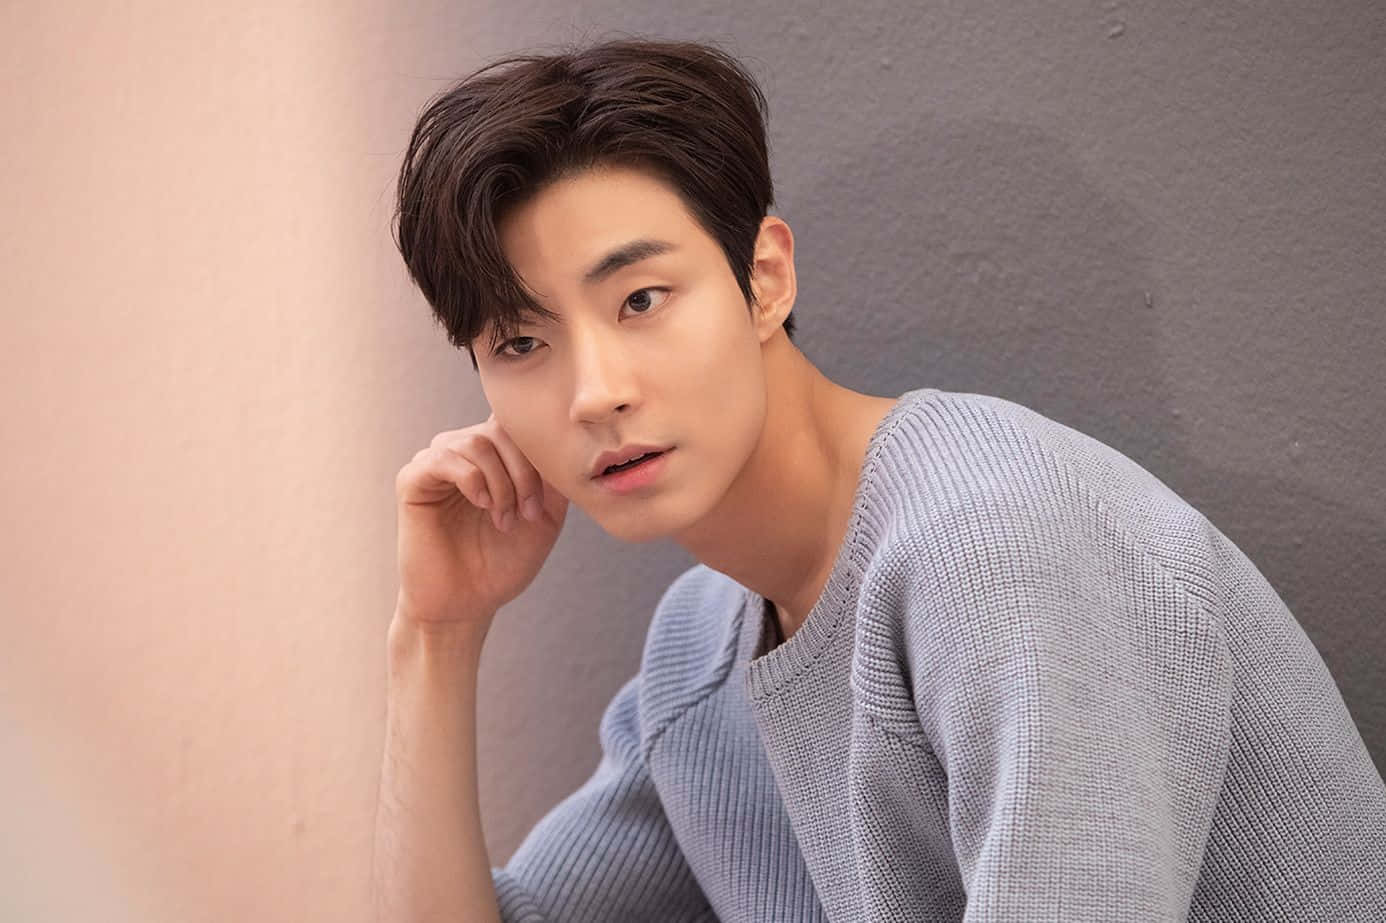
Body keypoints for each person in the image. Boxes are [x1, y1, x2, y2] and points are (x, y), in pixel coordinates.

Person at [370, 36, 1386, 923]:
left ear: (764, 278)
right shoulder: (700, 650)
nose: (595, 391)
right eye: (519, 339)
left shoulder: (997, 545)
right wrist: (437, 635)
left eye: (640, 298)